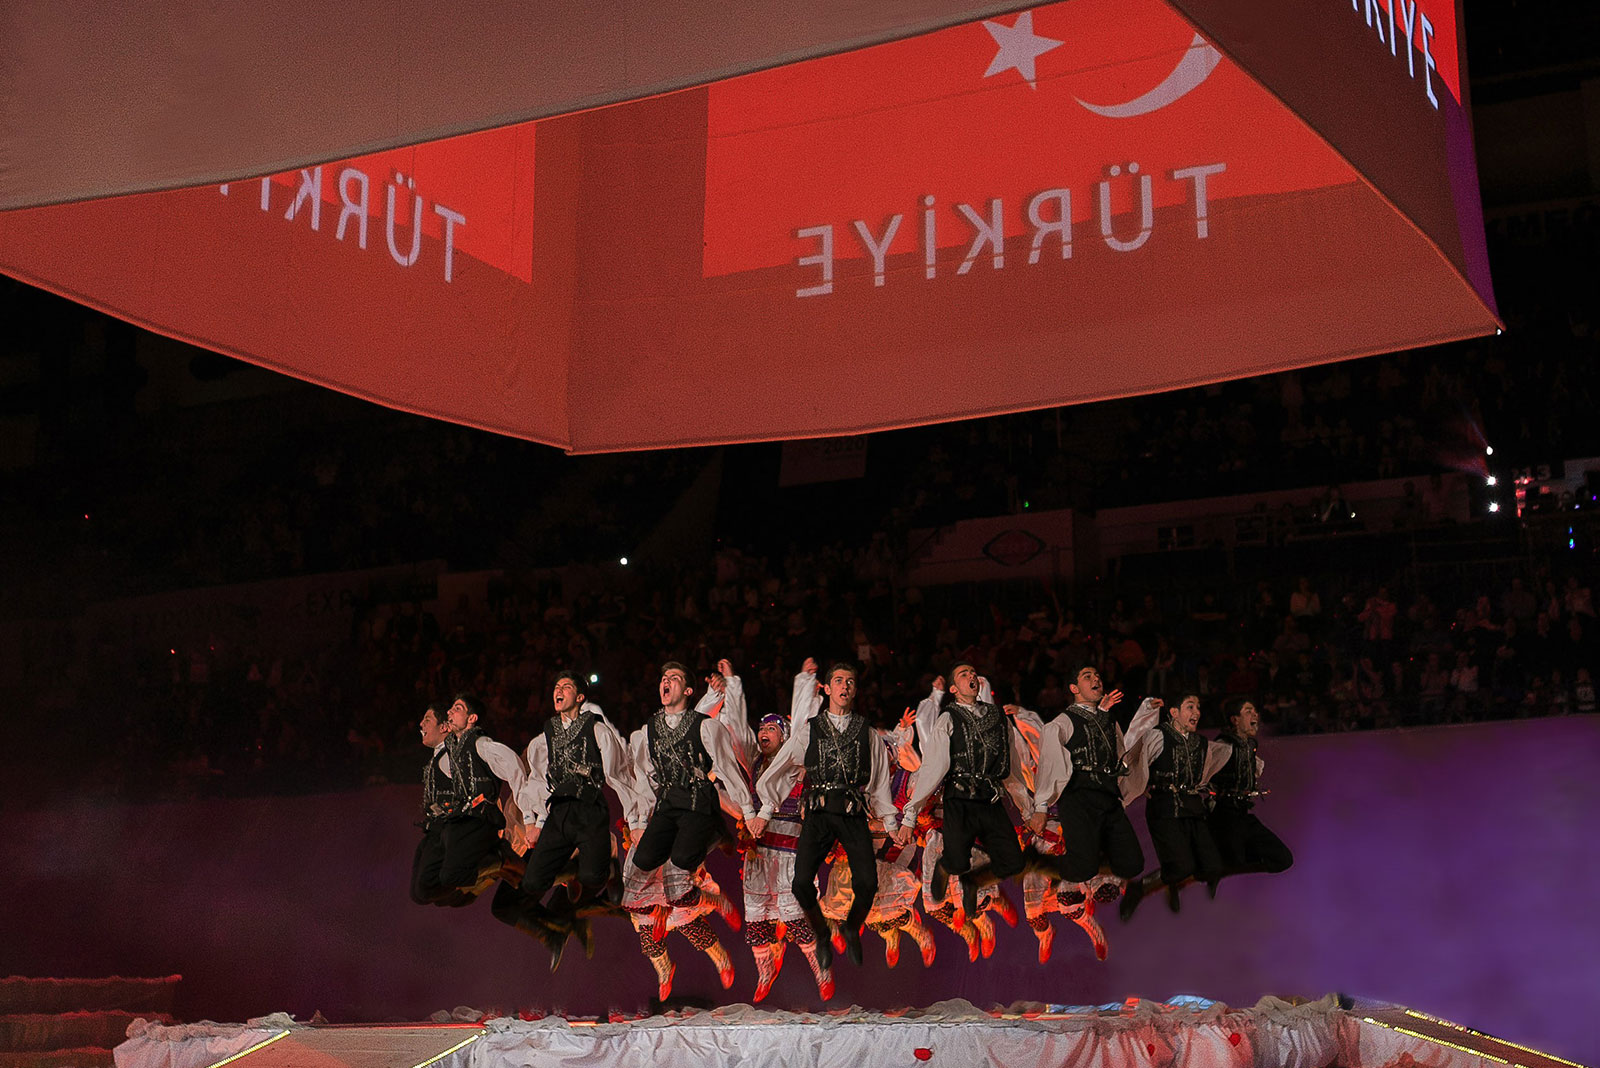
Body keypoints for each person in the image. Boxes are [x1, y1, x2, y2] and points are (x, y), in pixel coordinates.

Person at [752, 661, 900, 968]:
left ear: (855, 691)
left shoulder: (867, 733)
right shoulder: (811, 730)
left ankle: (851, 928)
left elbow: (879, 782)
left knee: (868, 883)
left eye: (850, 682)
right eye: (839, 681)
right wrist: (765, 810)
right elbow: (782, 767)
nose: (845, 686)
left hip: (851, 812)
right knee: (800, 883)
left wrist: (891, 822)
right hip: (818, 812)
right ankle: (821, 934)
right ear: (828, 688)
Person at [494, 673, 635, 960]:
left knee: (582, 879)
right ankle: (560, 929)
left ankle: (588, 904)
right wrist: (531, 825)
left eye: (566, 687)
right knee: (516, 897)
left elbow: (616, 775)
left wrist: (635, 819)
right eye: (556, 687)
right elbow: (535, 787)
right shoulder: (540, 749)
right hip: (554, 832)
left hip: (579, 828)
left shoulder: (594, 731)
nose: (558, 691)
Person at [627, 662, 759, 933]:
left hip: (695, 803)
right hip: (665, 807)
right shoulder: (649, 731)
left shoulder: (701, 725)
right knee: (636, 892)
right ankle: (670, 909)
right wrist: (638, 821)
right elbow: (644, 778)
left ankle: (713, 898)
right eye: (663, 678)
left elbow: (701, 732)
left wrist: (717, 693)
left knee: (678, 882)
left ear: (687, 690)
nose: (666, 681)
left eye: (674, 678)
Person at [896, 663, 1033, 920]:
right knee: (958, 861)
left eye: (973, 673)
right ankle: (947, 866)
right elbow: (933, 768)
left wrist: (1027, 810)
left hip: (990, 798)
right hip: (959, 799)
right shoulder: (948, 718)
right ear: (953, 689)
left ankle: (973, 881)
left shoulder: (998, 717)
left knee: (1014, 862)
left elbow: (1011, 767)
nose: (971, 675)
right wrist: (910, 816)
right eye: (963, 674)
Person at [1028, 665, 1161, 920]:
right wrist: (1041, 807)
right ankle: (1044, 866)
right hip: (1078, 795)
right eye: (1087, 676)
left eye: (1098, 675)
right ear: (1074, 688)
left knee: (1133, 863)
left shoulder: (1108, 719)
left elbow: (1121, 756)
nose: (1096, 678)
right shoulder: (1062, 722)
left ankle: (1091, 860)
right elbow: (1050, 763)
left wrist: (1138, 782)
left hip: (1107, 795)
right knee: (1082, 869)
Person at [739, 703, 835, 1001]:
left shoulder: (798, 764)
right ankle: (765, 970)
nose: (764, 733)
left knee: (793, 915)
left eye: (772, 729)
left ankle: (821, 969)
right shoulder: (755, 763)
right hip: (759, 850)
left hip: (791, 847)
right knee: (755, 916)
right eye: (761, 729)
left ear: (784, 737)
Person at [1119, 694, 1223, 920]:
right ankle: (1140, 888)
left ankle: (1174, 882)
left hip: (1193, 807)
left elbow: (1206, 771)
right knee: (1181, 866)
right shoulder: (1158, 736)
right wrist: (1139, 785)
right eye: (1190, 707)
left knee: (1212, 864)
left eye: (1198, 707)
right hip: (1164, 807)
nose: (1197, 712)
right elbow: (1133, 758)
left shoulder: (1201, 743)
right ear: (1174, 713)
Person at [436, 693, 528, 900]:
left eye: (457, 708)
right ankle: (498, 865)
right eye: (451, 708)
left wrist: (527, 813)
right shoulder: (453, 748)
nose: (449, 712)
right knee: (448, 887)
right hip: (465, 818)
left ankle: (502, 860)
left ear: (472, 718)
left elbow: (514, 768)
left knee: (451, 877)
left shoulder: (481, 744)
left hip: (482, 818)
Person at [1204, 698, 1293, 889]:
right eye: (1248, 711)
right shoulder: (1222, 746)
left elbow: (1252, 769)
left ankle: (1232, 862)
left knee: (1282, 858)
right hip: (1224, 816)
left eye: (1255, 711)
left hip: (1242, 815)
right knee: (1234, 864)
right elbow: (1200, 773)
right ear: (1235, 720)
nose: (1255, 715)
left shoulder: (1249, 745)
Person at [409, 700, 480, 908]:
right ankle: (469, 884)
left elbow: (472, 788)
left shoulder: (450, 756)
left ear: (444, 727)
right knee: (419, 895)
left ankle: (479, 873)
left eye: (427, 719)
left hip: (447, 829)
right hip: (435, 829)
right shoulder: (440, 756)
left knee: (425, 890)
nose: (421, 724)